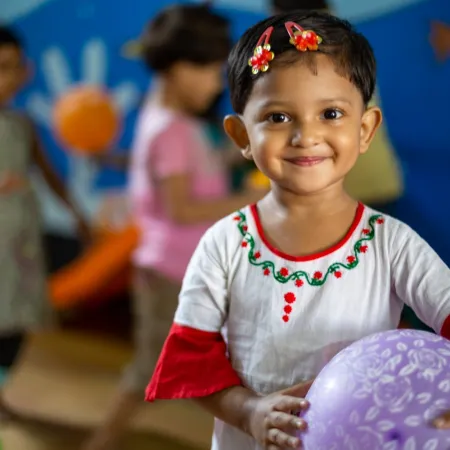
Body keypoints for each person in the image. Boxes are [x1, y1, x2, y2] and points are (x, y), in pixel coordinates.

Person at [145, 11, 450, 450]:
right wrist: (246, 410)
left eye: (330, 113)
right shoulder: (225, 243)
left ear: (365, 130)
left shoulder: (391, 243)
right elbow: (191, 357)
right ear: (240, 135)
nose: (306, 135)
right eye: (277, 117)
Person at [81, 5, 264, 450]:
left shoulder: (172, 119)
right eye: (204, 70)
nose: (212, 82)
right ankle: (100, 443)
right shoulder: (170, 129)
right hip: (170, 276)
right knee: (149, 369)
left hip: (186, 270)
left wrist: (235, 155)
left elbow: (193, 171)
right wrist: (254, 199)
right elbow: (181, 209)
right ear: (175, 68)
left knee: (215, 363)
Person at [0, 26, 89, 419]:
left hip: (18, 235)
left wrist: (76, 212)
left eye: (12, 67)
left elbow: (49, 172)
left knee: (16, 317)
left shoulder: (22, 125)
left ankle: (1, 390)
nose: (7, 77)